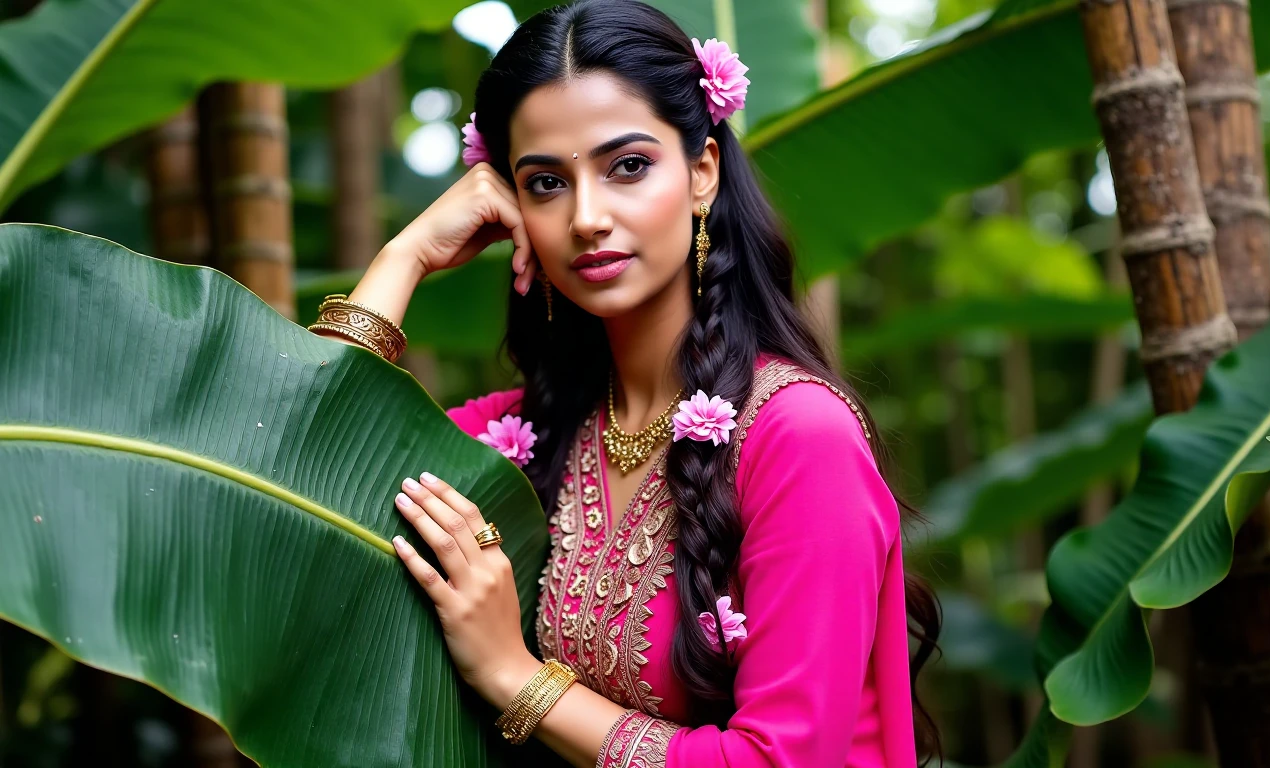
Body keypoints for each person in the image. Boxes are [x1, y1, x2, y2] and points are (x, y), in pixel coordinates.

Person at [307, 1, 941, 765]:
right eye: (544, 183)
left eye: (628, 166)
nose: (587, 217)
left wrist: (517, 678)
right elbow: (299, 471)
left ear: (703, 170)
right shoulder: (531, 434)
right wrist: (405, 254)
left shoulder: (798, 438)